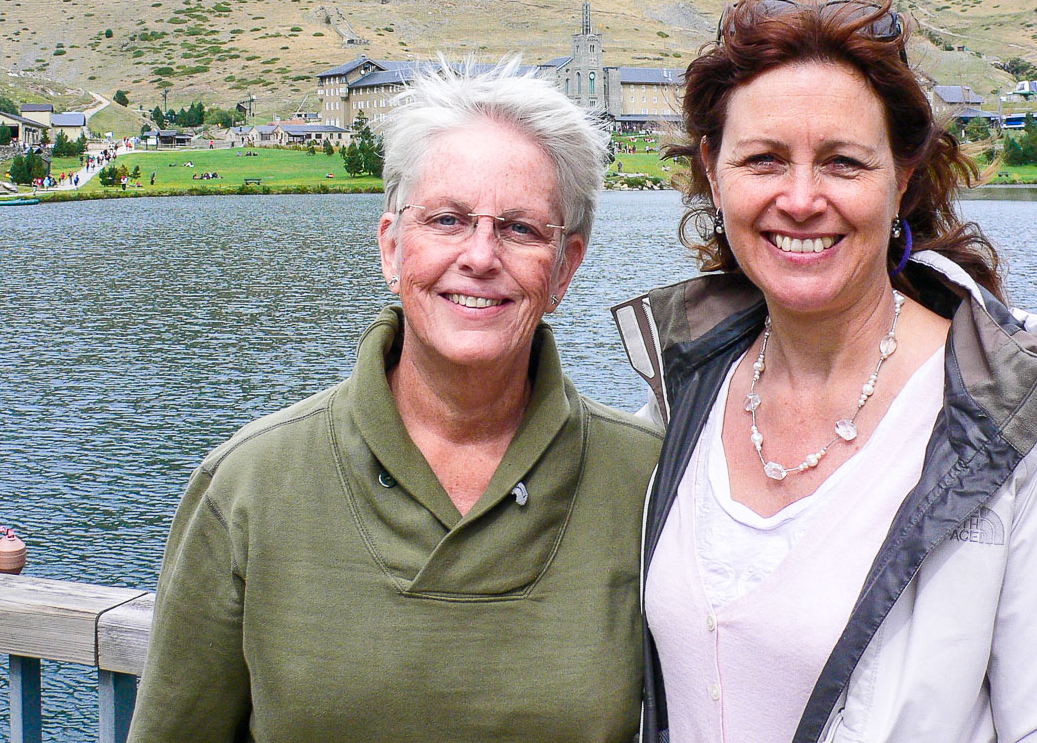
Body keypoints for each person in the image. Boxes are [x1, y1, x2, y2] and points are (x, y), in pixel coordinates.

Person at [615, 0, 1037, 742]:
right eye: (763, 158)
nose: (800, 200)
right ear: (713, 168)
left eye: (842, 162)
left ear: (901, 177)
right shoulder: (683, 396)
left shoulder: (1014, 425)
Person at [129, 62, 662, 743]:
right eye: (447, 219)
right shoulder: (248, 486)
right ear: (391, 246)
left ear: (565, 267)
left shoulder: (648, 482)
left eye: (521, 229)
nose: (479, 254)